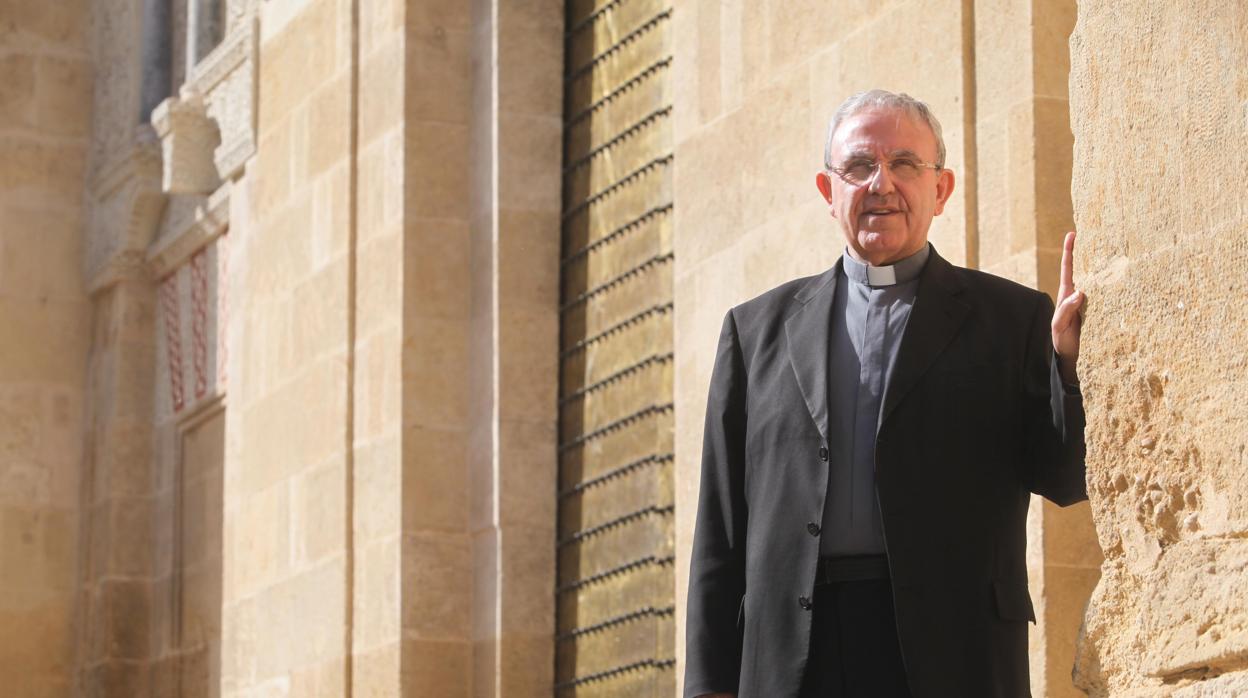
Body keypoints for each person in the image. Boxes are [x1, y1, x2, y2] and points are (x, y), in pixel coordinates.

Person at [683, 90, 1088, 698]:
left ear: (941, 189)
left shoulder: (1013, 319)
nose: (882, 183)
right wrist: (708, 683)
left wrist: (1066, 363)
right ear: (828, 191)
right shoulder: (753, 331)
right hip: (793, 653)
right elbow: (720, 527)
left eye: (904, 164)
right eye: (859, 167)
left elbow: (1066, 477)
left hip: (951, 649)